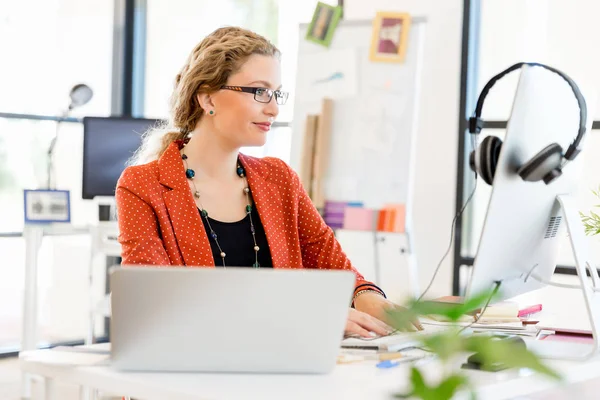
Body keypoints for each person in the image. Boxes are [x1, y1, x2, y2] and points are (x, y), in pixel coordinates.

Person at [115, 26, 422, 338]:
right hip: (189, 367)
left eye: (276, 93)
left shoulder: (279, 178)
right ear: (208, 98)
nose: (273, 108)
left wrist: (364, 295)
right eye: (259, 91)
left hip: (282, 365)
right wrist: (309, 316)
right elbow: (154, 304)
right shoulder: (143, 185)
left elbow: (330, 261)